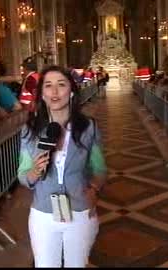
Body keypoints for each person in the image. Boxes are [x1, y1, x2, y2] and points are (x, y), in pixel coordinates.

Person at [17, 66, 107, 267]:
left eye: (61, 85)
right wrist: (32, 173)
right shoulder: (29, 130)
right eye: (48, 86)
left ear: (72, 91)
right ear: (42, 93)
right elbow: (22, 174)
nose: (54, 92)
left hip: (80, 210)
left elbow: (99, 168)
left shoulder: (88, 127)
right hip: (43, 214)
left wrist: (94, 190)